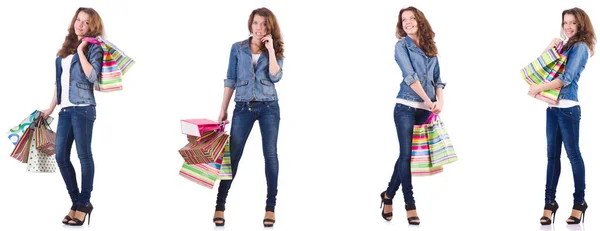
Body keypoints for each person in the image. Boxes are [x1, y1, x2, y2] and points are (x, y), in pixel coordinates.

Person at [213, 7, 284, 227]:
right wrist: (223, 109)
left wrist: (270, 50)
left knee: (270, 155)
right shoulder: (238, 48)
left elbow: (276, 76)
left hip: (269, 107)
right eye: (256, 23)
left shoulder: (276, 50)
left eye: (264, 24)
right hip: (242, 107)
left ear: (269, 27)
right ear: (250, 24)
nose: (259, 28)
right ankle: (220, 205)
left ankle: (270, 207)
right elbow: (230, 79)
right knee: (233, 156)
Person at [529, 7, 596, 226]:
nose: (568, 26)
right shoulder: (565, 46)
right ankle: (549, 204)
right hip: (552, 109)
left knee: (573, 156)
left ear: (581, 25)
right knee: (552, 158)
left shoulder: (581, 48)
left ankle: (579, 203)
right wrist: (549, 48)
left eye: (573, 23)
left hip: (568, 108)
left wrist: (538, 88)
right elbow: (541, 69)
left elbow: (565, 79)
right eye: (565, 22)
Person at [379, 6, 445, 225]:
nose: (407, 23)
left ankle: (388, 194)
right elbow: (410, 76)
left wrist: (440, 101)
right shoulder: (401, 46)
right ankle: (410, 204)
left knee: (405, 157)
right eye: (404, 20)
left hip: (425, 110)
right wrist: (428, 101)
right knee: (406, 155)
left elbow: (437, 78)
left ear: (420, 21)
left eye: (411, 18)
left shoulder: (430, 47)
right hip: (406, 107)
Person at [41, 7, 104, 226]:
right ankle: (78, 202)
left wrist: (81, 51)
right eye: (78, 20)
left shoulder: (93, 48)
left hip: (84, 108)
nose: (80, 24)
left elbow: (92, 76)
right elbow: (59, 84)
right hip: (66, 110)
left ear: (92, 27)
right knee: (60, 156)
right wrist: (50, 109)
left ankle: (83, 202)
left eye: (86, 22)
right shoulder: (63, 51)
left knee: (84, 155)